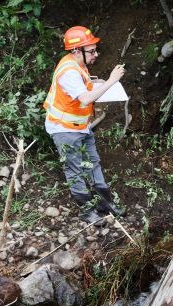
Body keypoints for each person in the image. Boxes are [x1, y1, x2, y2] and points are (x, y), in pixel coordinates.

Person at [43, 25, 126, 223]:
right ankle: (87, 210)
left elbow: (85, 87)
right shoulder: (69, 72)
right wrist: (111, 82)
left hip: (80, 126)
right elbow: (86, 98)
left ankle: (105, 203)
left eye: (95, 49)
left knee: (93, 163)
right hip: (64, 129)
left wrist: (99, 84)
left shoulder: (78, 64)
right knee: (75, 169)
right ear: (75, 50)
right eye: (91, 50)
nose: (95, 54)